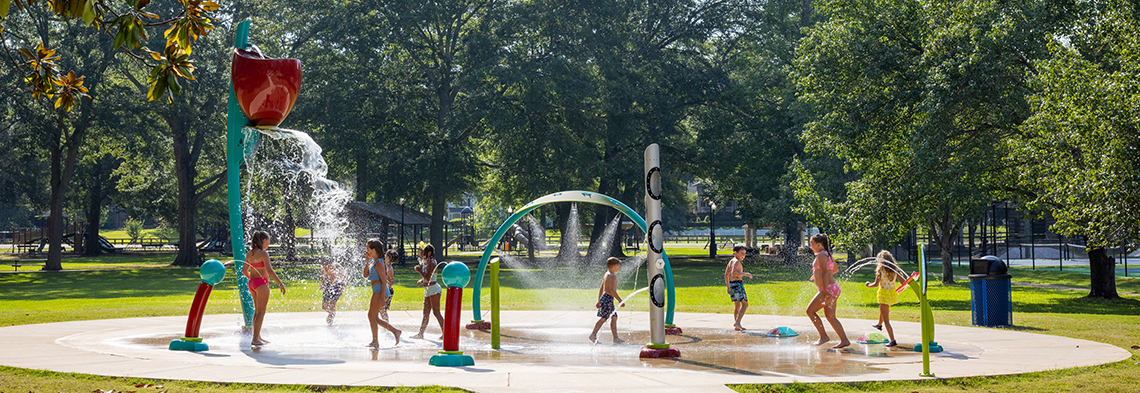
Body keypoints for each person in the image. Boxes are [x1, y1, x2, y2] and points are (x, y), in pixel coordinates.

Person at [806, 233, 850, 349]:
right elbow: (834, 269)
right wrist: (816, 274)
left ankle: (823, 336)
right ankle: (844, 340)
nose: (811, 247)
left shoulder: (821, 254)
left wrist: (825, 290)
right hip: (834, 287)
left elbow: (826, 272)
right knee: (831, 317)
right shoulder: (827, 254)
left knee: (810, 311)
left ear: (819, 244)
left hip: (828, 289)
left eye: (812, 244)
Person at [242, 230, 285, 346]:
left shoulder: (250, 254)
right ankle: (255, 339)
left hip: (252, 283)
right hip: (261, 284)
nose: (268, 244)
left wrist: (253, 279)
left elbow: (244, 270)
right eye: (268, 241)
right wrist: (280, 283)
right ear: (264, 240)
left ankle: (257, 336)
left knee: (257, 312)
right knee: (261, 312)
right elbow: (270, 271)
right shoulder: (263, 254)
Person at [363, 239, 401, 347]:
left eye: (368, 249)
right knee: (374, 317)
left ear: (373, 250)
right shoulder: (372, 261)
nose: (366, 251)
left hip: (380, 291)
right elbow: (365, 275)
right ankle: (395, 331)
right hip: (377, 290)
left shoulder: (380, 262)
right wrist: (367, 262)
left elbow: (384, 280)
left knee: (371, 316)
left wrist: (382, 298)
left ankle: (375, 341)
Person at [865, 250, 902, 346]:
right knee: (883, 310)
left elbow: (876, 284)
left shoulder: (881, 271)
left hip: (884, 294)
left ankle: (893, 340)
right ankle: (879, 324)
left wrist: (868, 285)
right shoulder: (895, 270)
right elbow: (903, 282)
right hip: (892, 294)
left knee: (886, 319)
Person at [410, 244, 445, 340]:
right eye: (420, 252)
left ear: (429, 253)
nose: (420, 254)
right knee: (426, 313)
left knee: (436, 312)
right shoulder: (427, 262)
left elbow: (429, 277)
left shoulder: (432, 263)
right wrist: (422, 280)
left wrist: (420, 271)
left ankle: (446, 333)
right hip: (428, 290)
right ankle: (420, 334)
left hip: (434, 290)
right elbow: (428, 277)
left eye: (422, 252)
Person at [724, 245, 753, 331]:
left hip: (732, 284)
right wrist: (745, 274)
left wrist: (728, 286)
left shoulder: (731, 261)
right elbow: (733, 273)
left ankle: (737, 325)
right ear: (735, 253)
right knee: (745, 304)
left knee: (737, 305)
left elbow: (726, 274)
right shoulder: (736, 262)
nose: (743, 255)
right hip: (737, 284)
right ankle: (737, 323)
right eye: (741, 253)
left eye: (744, 253)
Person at [320, 257, 347, 325]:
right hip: (328, 285)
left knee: (332, 303)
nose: (325, 269)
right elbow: (323, 275)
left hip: (337, 285)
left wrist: (342, 287)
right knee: (324, 306)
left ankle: (331, 317)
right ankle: (331, 312)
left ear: (331, 265)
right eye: (324, 267)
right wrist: (322, 283)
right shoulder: (324, 267)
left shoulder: (337, 267)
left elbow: (346, 276)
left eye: (327, 267)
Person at [380, 249, 399, 322]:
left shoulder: (388, 268)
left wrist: (387, 288)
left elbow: (392, 281)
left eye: (386, 255)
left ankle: (386, 325)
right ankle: (386, 325)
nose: (384, 256)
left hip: (387, 291)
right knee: (383, 310)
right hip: (389, 291)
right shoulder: (389, 267)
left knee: (382, 310)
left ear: (388, 258)